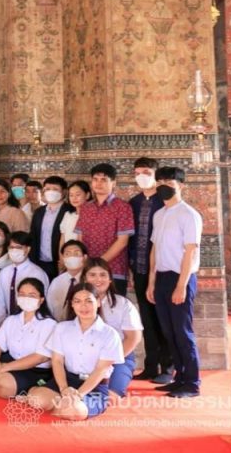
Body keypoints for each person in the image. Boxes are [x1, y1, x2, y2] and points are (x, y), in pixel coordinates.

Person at [27, 283, 124, 420]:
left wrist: (78, 395)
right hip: (67, 381)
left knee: (73, 411)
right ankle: (54, 399)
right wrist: (64, 388)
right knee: (37, 401)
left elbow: (101, 370)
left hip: (94, 386)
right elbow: (57, 361)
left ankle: (65, 404)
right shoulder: (62, 328)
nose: (83, 306)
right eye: (77, 301)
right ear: (72, 304)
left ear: (98, 302)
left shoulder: (110, 334)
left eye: (88, 301)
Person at [147, 166, 202, 398]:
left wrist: (181, 286)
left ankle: (192, 383)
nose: (164, 187)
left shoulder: (189, 214)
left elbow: (190, 251)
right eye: (160, 182)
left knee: (182, 332)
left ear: (181, 185)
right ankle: (179, 378)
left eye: (169, 183)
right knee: (169, 332)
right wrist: (151, 282)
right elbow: (155, 250)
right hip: (161, 277)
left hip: (181, 278)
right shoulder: (159, 214)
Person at [0, 278, 56, 397]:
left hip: (34, 369)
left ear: (41, 299)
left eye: (31, 295)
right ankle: (2, 378)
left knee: (3, 386)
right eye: (22, 294)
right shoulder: (11, 320)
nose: (26, 298)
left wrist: (6, 368)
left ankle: (25, 386)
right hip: (11, 360)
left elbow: (40, 357)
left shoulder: (49, 324)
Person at [129, 157, 172, 383]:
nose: (141, 177)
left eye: (146, 172)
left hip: (162, 269)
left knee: (163, 318)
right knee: (147, 319)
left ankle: (168, 368)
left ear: (155, 174)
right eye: (137, 173)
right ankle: (151, 366)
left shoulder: (164, 200)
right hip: (140, 269)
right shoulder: (134, 202)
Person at [84, 257, 142, 400]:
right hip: (84, 357)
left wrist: (107, 362)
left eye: (103, 275)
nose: (98, 279)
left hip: (119, 358)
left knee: (110, 396)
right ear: (84, 279)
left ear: (110, 279)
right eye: (92, 275)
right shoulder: (76, 303)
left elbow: (133, 338)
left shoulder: (123, 304)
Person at [75, 163, 134, 295]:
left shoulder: (123, 207)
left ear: (113, 183)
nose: (98, 183)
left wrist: (98, 263)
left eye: (104, 180)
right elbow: (80, 238)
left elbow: (122, 241)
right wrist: (86, 263)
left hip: (113, 271)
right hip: (88, 270)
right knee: (89, 304)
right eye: (95, 179)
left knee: (114, 305)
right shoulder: (86, 208)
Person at [0, 232, 49, 322]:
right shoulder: (4, 272)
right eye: (11, 247)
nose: (14, 250)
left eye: (19, 247)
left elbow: (41, 302)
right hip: (8, 323)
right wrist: (2, 323)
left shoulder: (37, 273)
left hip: (31, 322)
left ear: (28, 249)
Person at [28, 176, 74, 280]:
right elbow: (33, 237)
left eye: (55, 189)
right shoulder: (39, 212)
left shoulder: (70, 211)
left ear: (64, 192)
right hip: (39, 263)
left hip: (60, 263)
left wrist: (64, 260)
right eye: (47, 189)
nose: (50, 192)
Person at [46, 240, 88, 321]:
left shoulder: (89, 280)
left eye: (76, 254)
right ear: (62, 258)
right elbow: (49, 306)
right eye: (67, 254)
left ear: (85, 257)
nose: (72, 257)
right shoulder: (56, 281)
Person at [60, 180, 91, 244]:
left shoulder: (92, 216)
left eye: (78, 194)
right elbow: (63, 238)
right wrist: (61, 250)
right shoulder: (68, 215)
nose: (74, 198)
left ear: (87, 195)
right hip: (67, 250)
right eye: (71, 195)